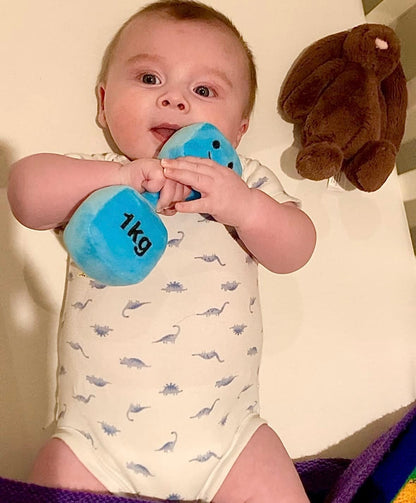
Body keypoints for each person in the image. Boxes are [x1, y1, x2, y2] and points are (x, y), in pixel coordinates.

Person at [7, 1, 316, 501]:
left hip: (230, 439)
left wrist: (246, 209)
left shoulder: (245, 182)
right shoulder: (97, 177)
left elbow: (298, 248)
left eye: (203, 90)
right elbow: (25, 191)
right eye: (149, 78)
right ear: (104, 103)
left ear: (238, 131)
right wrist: (120, 176)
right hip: (93, 445)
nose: (174, 100)